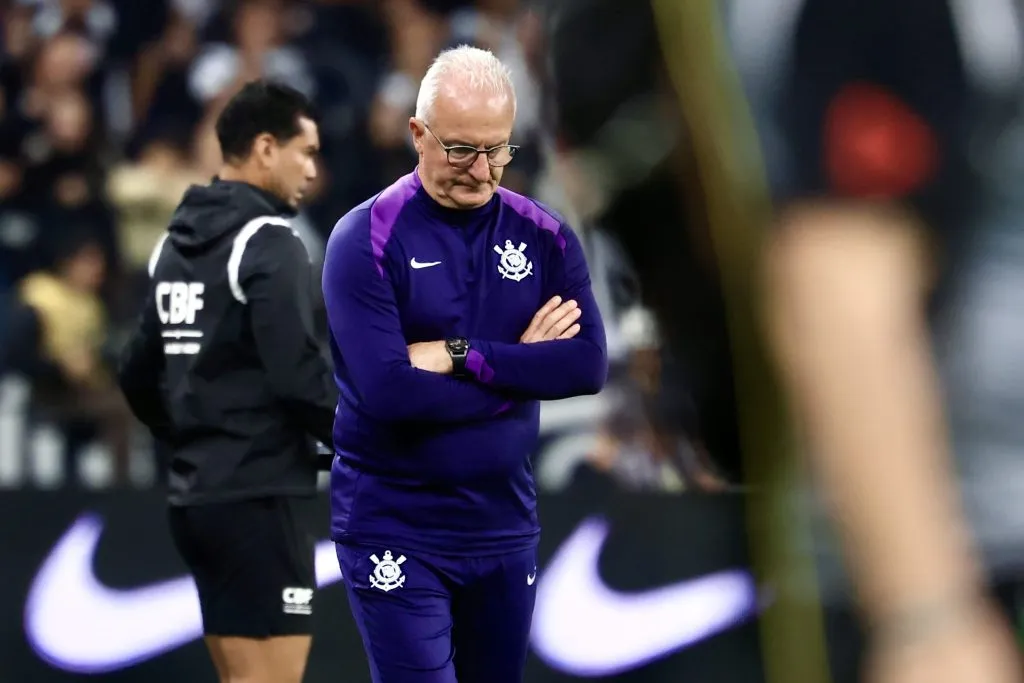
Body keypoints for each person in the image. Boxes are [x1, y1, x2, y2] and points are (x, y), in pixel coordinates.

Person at [321, 45, 608, 683]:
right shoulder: (363, 239)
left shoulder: (545, 236)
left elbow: (586, 366)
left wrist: (462, 356)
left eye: (496, 150)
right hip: (395, 523)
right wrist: (523, 369)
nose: (481, 171)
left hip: (503, 523)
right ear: (417, 134)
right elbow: (390, 393)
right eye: (459, 150)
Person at [117, 80, 336, 683]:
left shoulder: (172, 245)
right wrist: (368, 441)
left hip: (197, 499)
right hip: (260, 499)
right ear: (265, 148)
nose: (311, 171)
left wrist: (194, 435)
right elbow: (299, 378)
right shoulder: (269, 242)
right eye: (305, 152)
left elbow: (136, 372)